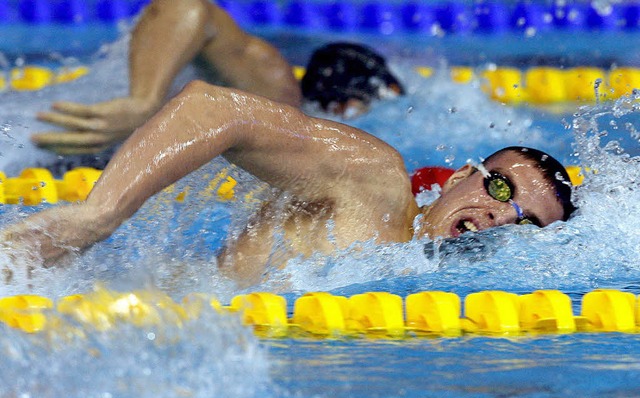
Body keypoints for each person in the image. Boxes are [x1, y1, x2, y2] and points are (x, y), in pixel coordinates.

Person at [1, 81, 575, 286]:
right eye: (502, 190)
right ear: (457, 178)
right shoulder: (373, 182)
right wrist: (99, 215)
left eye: (526, 223)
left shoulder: (448, 299)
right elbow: (215, 108)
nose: (504, 217)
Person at [31, 0, 403, 156]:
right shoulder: (276, 89)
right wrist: (143, 101)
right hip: (75, 141)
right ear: (349, 105)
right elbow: (189, 7)